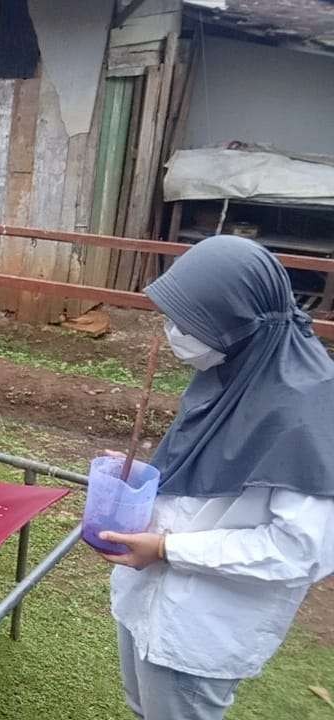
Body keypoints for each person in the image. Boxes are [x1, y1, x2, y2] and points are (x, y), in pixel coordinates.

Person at [97, 235, 334, 720]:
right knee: (143, 708)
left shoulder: (304, 414)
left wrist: (166, 549)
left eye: (187, 322)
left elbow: (299, 550)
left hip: (202, 627)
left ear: (235, 321)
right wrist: (140, 478)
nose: (173, 332)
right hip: (151, 594)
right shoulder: (233, 372)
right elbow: (199, 476)